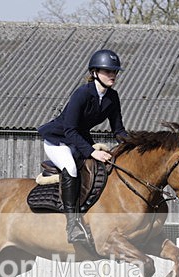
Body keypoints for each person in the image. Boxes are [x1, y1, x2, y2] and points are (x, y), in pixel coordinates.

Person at [37, 49, 129, 244]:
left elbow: (118, 130)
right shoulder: (82, 93)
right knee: (70, 167)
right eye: (108, 71)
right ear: (95, 72)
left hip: (78, 140)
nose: (113, 75)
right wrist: (92, 151)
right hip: (58, 140)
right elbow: (70, 130)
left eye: (114, 72)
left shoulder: (112, 97)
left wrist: (134, 145)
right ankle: (72, 225)